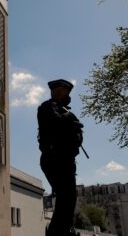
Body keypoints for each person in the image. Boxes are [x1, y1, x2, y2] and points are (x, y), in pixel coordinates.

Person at [37, 79, 84, 236]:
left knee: (68, 199)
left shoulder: (66, 111)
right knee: (66, 198)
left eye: (66, 92)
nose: (65, 94)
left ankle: (64, 229)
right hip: (54, 157)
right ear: (56, 92)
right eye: (63, 91)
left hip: (67, 160)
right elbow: (54, 123)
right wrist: (70, 120)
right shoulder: (47, 107)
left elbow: (77, 136)